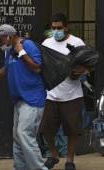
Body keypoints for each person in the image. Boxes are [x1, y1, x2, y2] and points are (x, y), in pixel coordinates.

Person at [0, 24, 47, 170]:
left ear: (9, 36)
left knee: (24, 134)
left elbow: (37, 67)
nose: (0, 43)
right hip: (20, 100)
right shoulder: (10, 52)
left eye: (1, 40)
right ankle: (20, 167)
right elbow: (6, 69)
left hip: (32, 99)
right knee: (18, 137)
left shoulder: (28, 45)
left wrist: (21, 52)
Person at [39, 13, 88, 170]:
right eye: (53, 28)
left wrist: (79, 71)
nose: (56, 31)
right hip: (52, 94)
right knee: (46, 129)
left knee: (72, 130)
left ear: (66, 27)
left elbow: (87, 65)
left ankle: (69, 160)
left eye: (59, 28)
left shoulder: (77, 42)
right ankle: (53, 154)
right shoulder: (47, 43)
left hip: (72, 94)